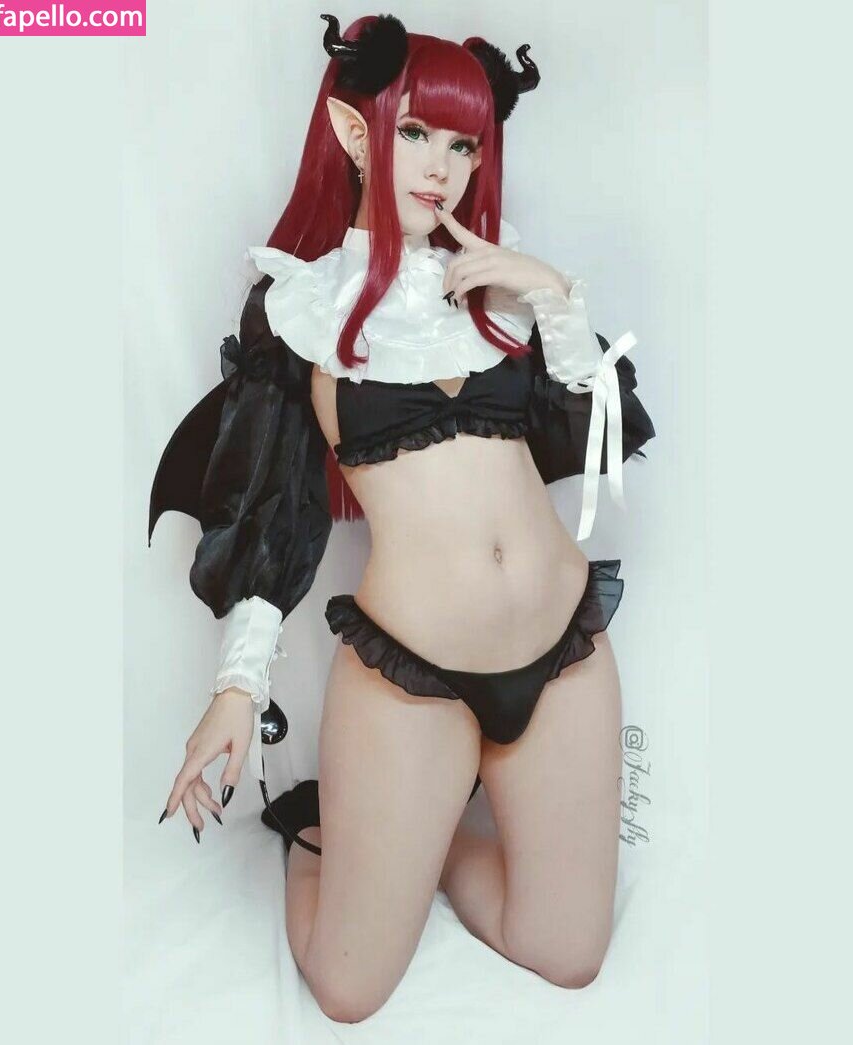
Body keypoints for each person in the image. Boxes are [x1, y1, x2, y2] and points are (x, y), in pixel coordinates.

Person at [148, 13, 655, 1024]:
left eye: (463, 144)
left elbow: (602, 431)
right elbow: (269, 504)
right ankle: (325, 836)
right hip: (413, 676)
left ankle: (422, 846)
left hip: (562, 651)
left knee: (565, 957)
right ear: (353, 133)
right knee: (346, 992)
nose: (441, 167)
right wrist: (237, 690)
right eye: (416, 132)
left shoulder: (497, 285)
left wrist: (550, 297)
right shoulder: (299, 304)